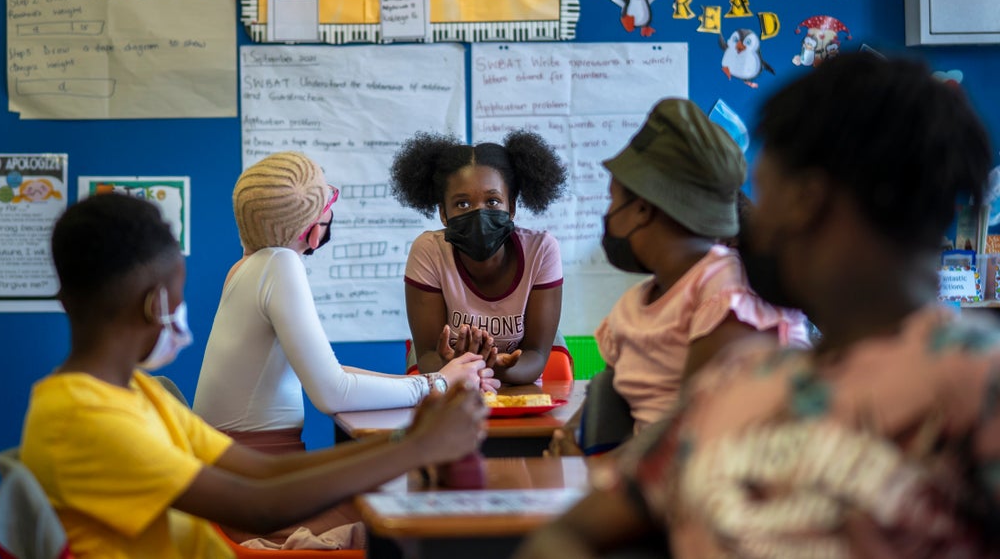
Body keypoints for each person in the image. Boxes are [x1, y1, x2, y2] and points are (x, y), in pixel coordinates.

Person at [515, 52, 1000, 559]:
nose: (751, 223)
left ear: (807, 200)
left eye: (765, 194)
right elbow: (570, 533)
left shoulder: (978, 383)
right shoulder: (734, 383)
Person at [20, 192, 488, 557]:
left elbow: (264, 470)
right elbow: (258, 507)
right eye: (179, 295)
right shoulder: (86, 419)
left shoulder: (133, 392)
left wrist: (407, 442)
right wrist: (417, 448)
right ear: (155, 303)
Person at [192, 151, 493, 544]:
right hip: (261, 498)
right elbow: (332, 393)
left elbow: (331, 372)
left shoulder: (247, 269)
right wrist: (435, 384)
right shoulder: (280, 264)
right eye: (327, 198)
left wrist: (440, 379)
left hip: (248, 483)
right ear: (312, 231)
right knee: (413, 510)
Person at [550, 97, 810, 456]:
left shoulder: (727, 291)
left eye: (612, 201)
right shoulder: (636, 304)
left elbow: (699, 430)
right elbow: (605, 393)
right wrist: (571, 437)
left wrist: (606, 468)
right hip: (650, 476)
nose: (607, 216)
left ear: (642, 209)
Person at [389, 130, 567, 385]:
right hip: (449, 389)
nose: (479, 214)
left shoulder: (541, 250)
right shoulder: (429, 251)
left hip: (519, 389)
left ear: (512, 207)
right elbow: (428, 356)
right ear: (443, 213)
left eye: (493, 201)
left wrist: (492, 368)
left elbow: (536, 355)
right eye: (462, 204)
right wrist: (461, 369)